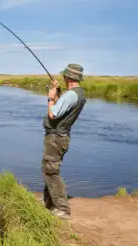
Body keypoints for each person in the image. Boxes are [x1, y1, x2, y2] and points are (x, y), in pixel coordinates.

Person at [41, 63, 86, 220]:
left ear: (69, 77)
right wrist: (59, 92)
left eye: (65, 75)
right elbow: (63, 108)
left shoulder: (71, 95)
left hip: (56, 138)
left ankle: (62, 209)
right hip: (61, 137)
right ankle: (49, 203)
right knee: (48, 168)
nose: (63, 77)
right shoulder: (77, 93)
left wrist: (51, 97)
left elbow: (53, 114)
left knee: (51, 170)